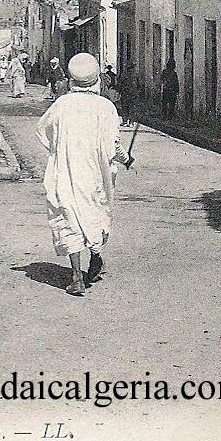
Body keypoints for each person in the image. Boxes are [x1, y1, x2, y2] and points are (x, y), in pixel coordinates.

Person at [36, 52, 131, 297]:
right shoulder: (105, 107)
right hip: (95, 175)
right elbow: (114, 146)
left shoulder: (61, 105)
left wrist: (62, 150)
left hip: (67, 171)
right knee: (94, 214)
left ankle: (77, 275)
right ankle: (95, 257)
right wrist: (126, 159)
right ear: (97, 79)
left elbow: (44, 133)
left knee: (68, 218)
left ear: (71, 80)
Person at [120, 62, 135, 127]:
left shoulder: (124, 75)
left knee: (125, 107)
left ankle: (125, 121)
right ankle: (131, 122)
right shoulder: (135, 75)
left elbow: (120, 83)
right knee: (131, 108)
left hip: (125, 93)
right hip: (132, 93)